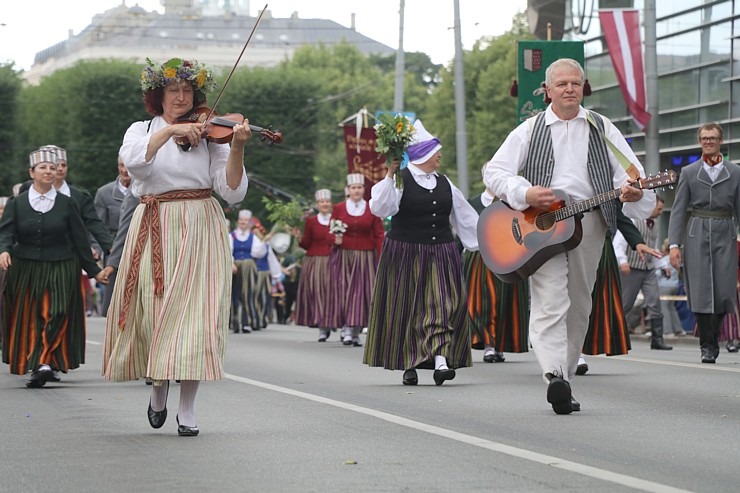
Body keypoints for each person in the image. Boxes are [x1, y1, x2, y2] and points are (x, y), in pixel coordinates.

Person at [484, 58, 656, 414]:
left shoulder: (602, 127)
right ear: (548, 90)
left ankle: (565, 378)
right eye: (561, 84)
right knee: (549, 301)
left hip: (590, 221)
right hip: (540, 222)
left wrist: (633, 191)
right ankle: (554, 375)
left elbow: (631, 174)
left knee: (579, 302)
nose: (569, 89)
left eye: (575, 83)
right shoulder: (529, 130)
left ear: (583, 87)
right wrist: (525, 193)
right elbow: (495, 172)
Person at [102, 56, 251, 436]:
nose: (182, 97)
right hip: (155, 223)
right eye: (174, 90)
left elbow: (231, 192)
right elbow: (135, 163)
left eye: (187, 90)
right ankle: (157, 387)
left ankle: (187, 408)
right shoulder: (140, 130)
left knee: (197, 318)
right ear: (159, 96)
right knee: (156, 314)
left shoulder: (211, 134)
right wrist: (171, 132)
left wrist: (236, 148)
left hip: (200, 222)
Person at [364, 119, 477, 385]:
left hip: (442, 253)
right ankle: (409, 363)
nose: (440, 156)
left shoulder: (445, 182)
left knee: (442, 304)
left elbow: (467, 219)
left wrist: (487, 244)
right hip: (405, 255)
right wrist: (390, 173)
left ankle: (440, 361)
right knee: (408, 308)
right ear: (424, 153)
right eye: (436, 151)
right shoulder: (399, 181)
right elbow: (380, 209)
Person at [0, 148, 107, 387]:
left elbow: (81, 240)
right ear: (32, 173)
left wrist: (95, 270)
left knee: (57, 312)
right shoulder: (16, 203)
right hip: (26, 267)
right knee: (32, 317)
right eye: (43, 168)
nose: (49, 171)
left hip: (60, 265)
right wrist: (4, 250)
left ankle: (42, 360)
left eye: (52, 167)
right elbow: (6, 232)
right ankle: (42, 363)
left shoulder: (67, 203)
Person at [668, 122, 740, 364]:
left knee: (723, 291)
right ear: (700, 141)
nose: (708, 142)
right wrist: (674, 245)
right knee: (699, 291)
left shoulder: (735, 171)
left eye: (713, 138)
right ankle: (707, 345)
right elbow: (677, 211)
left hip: (725, 232)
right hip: (696, 232)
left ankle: (714, 335)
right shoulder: (689, 172)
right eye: (705, 138)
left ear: (720, 141)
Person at [463, 165, 528, 363]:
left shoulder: (513, 203)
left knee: (506, 300)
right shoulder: (472, 203)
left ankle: (501, 344)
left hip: (509, 256)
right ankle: (489, 344)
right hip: (480, 257)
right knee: (484, 302)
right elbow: (463, 230)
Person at [326, 173, 384, 347]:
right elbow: (331, 231)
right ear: (348, 190)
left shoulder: (372, 208)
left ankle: (356, 331)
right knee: (345, 291)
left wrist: (382, 256)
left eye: (359, 188)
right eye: (353, 188)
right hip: (345, 255)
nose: (356, 191)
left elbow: (379, 234)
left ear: (364, 190)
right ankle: (346, 327)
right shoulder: (339, 208)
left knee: (362, 293)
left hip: (365, 256)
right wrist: (335, 240)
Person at [613, 197, 671, 350]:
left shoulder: (655, 226)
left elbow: (653, 248)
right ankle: (614, 337)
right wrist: (623, 261)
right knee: (625, 304)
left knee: (654, 302)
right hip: (631, 268)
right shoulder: (632, 221)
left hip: (649, 269)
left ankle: (657, 339)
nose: (660, 213)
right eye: (658, 209)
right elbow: (618, 245)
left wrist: (663, 265)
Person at [294, 189, 336, 341]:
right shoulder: (311, 221)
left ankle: (335, 322)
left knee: (333, 293)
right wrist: (298, 237)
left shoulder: (336, 219)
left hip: (333, 260)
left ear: (330, 203)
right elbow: (306, 244)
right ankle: (322, 327)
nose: (324, 204)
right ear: (317, 204)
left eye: (326, 202)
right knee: (318, 293)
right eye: (321, 202)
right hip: (315, 261)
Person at [94, 154, 132, 316]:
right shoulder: (104, 193)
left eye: (128, 166)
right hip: (114, 247)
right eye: (121, 166)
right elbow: (98, 225)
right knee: (113, 298)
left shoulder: (144, 189)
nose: (125, 170)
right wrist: (103, 248)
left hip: (140, 242)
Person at [229, 209, 267, 333]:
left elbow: (258, 253)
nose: (243, 222)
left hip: (248, 266)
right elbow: (228, 250)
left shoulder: (253, 237)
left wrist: (263, 242)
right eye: (241, 220)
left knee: (248, 294)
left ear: (249, 222)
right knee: (234, 295)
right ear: (238, 221)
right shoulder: (232, 235)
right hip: (235, 266)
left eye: (245, 220)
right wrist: (231, 263)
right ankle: (235, 322)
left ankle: (247, 322)